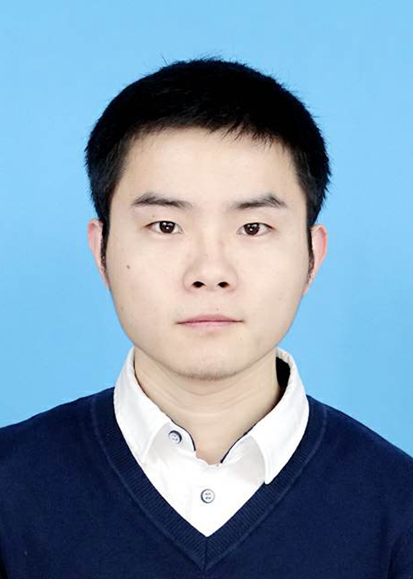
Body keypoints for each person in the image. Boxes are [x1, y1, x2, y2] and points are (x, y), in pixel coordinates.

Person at [0, 57, 412, 578]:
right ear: (101, 250)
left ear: (313, 256)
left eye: (254, 228)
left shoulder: (398, 506)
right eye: (166, 226)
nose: (210, 272)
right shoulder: (11, 488)